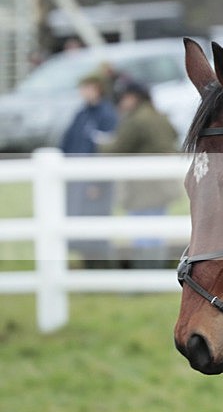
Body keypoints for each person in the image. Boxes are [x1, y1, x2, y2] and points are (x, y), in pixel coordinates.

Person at [99, 78, 179, 269]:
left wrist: (100, 144)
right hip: (163, 183)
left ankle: (145, 274)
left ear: (134, 98)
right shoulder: (159, 115)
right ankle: (153, 272)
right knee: (156, 231)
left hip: (143, 186)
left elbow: (117, 148)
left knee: (142, 233)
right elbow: (174, 136)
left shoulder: (136, 119)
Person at [60, 73, 119, 268]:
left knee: (97, 225)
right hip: (75, 180)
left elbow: (108, 151)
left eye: (87, 87)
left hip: (95, 182)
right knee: (78, 225)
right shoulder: (81, 114)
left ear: (97, 88)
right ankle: (86, 267)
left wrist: (98, 182)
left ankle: (101, 269)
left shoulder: (107, 115)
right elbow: (67, 144)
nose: (83, 92)